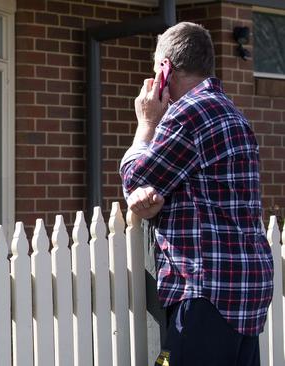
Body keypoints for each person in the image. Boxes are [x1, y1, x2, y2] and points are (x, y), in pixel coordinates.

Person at [119, 22, 273, 366]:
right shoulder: (231, 112)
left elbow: (135, 175)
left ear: (165, 69)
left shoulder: (190, 114)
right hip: (245, 290)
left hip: (208, 293)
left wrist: (146, 123)